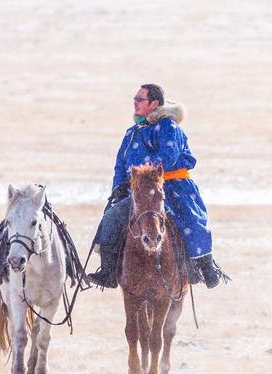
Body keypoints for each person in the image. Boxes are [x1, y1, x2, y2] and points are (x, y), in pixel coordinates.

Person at [86, 84, 226, 290]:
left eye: (140, 99)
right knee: (111, 218)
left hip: (171, 187)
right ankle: (108, 271)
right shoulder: (132, 133)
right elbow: (120, 163)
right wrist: (119, 186)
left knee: (190, 220)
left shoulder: (168, 127)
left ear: (154, 103)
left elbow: (168, 157)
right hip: (138, 192)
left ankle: (204, 267)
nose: (135, 102)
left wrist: (145, 175)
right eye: (135, 98)